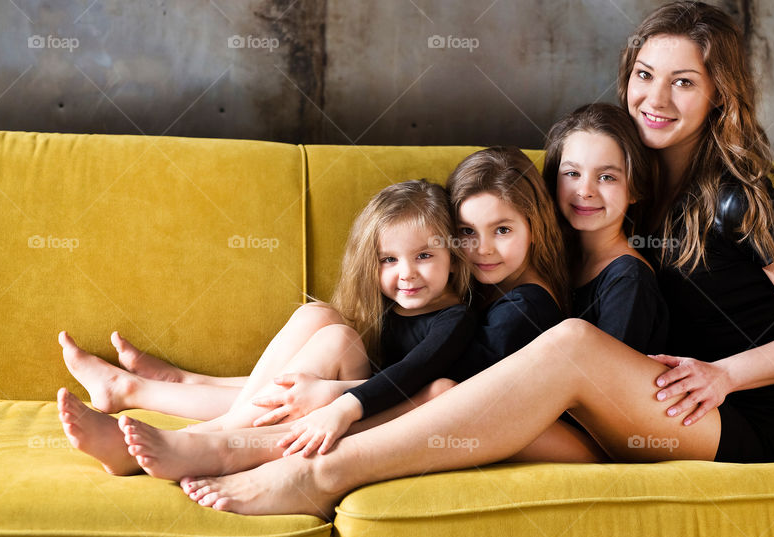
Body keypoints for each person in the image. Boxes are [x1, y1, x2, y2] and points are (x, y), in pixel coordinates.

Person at [178, 0, 774, 518]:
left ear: (720, 95)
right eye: (645, 76)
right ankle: (235, 437)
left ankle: (322, 476)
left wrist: (723, 375)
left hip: (729, 423)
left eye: (684, 83)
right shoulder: (621, 193)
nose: (656, 99)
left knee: (569, 344)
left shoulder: (744, 200)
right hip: (630, 403)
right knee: (346, 333)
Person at [116, 146, 595, 474]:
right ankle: (152, 391)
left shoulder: (517, 308)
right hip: (399, 391)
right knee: (318, 318)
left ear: (535, 223)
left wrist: (336, 395)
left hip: (441, 409)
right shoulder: (482, 290)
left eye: (503, 230)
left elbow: (444, 388)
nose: (483, 249)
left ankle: (209, 439)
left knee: (332, 345)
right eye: (468, 232)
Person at [57, 179, 477, 474]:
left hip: (385, 412)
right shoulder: (389, 308)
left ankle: (195, 438)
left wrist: (332, 396)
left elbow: (411, 380)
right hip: (356, 393)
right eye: (389, 260)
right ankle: (135, 389)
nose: (407, 274)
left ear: (454, 257)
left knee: (337, 338)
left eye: (424, 256)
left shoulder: (456, 319)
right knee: (320, 317)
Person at [543, 102, 668, 354]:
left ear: (634, 190)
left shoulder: (628, 279)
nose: (585, 191)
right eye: (572, 173)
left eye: (606, 177)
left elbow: (604, 387)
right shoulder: (557, 258)